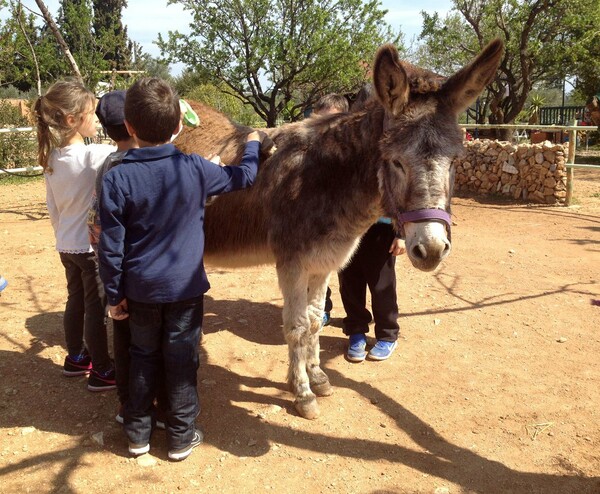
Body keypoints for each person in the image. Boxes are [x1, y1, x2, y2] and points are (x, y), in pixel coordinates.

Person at [97, 77, 266, 461]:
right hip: (185, 290)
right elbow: (245, 177)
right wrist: (252, 143)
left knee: (142, 356)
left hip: (139, 289)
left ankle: (137, 433)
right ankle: (180, 436)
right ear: (178, 128)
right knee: (182, 358)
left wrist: (114, 294)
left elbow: (111, 247)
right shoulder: (194, 169)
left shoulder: (116, 178)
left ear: (130, 127)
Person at [34, 79, 116, 391]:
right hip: (90, 249)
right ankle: (103, 371)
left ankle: (76, 357)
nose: (97, 120)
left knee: (75, 301)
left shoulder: (52, 159)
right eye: (92, 114)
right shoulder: (95, 155)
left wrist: (61, 236)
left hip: (66, 246)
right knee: (96, 309)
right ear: (72, 120)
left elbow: (52, 207)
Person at [338, 84, 405, 362]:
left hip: (381, 228)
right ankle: (356, 330)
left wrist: (400, 232)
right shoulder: (343, 146)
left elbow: (403, 192)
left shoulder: (392, 150)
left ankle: (387, 334)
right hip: (348, 227)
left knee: (381, 284)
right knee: (349, 282)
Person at [310, 93, 350, 326]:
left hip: (342, 224)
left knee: (344, 273)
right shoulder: (310, 147)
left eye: (331, 120)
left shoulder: (353, 152)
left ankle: (357, 321)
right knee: (312, 270)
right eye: (320, 119)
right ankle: (320, 308)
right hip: (313, 222)